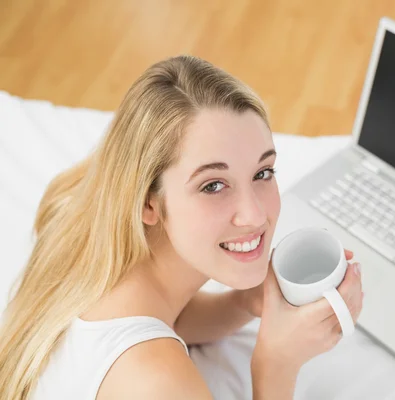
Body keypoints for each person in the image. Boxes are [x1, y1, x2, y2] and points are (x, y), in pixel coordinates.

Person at [0, 55, 363, 399]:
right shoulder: (157, 382)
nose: (254, 215)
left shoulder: (88, 225)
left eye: (262, 172)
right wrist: (276, 365)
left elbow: (170, 315)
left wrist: (243, 302)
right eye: (213, 185)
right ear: (147, 202)